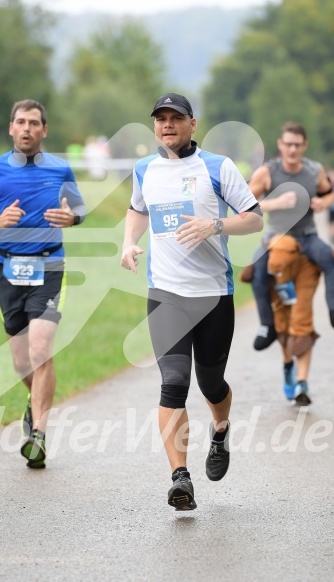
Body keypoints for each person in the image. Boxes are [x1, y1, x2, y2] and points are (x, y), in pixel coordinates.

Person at [120, 93, 263, 511]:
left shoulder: (218, 167)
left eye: (175, 118)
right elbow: (137, 208)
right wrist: (129, 242)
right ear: (154, 127)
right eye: (161, 119)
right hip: (166, 293)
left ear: (192, 124)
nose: (168, 125)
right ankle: (179, 477)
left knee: (211, 384)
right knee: (174, 382)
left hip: (214, 295)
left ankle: (220, 432)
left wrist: (214, 224)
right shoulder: (145, 169)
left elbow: (254, 217)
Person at [0, 99, 87, 469]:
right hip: (8, 268)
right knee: (20, 362)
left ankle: (39, 434)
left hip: (49, 265)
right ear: (11, 128)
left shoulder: (61, 169)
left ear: (44, 130)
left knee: (41, 349)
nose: (27, 128)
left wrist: (72, 218)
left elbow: (78, 209)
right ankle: (35, 406)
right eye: (21, 122)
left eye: (34, 122)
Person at [249, 122, 334, 359]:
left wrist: (323, 203)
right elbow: (243, 204)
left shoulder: (314, 170)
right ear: (280, 145)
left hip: (308, 236)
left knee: (330, 258)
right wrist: (274, 203)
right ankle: (267, 326)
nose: (293, 150)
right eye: (288, 144)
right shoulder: (268, 172)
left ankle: (333, 308)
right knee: (257, 274)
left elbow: (329, 194)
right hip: (275, 238)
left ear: (304, 145)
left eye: (297, 145)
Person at [266, 234, 321, 405]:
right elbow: (256, 208)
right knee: (282, 320)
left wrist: (324, 204)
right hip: (277, 248)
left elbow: (327, 205)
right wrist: (283, 204)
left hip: (307, 248)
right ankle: (288, 366)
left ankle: (302, 382)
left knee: (301, 320)